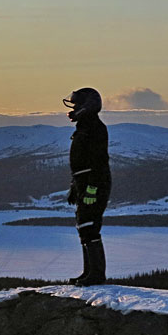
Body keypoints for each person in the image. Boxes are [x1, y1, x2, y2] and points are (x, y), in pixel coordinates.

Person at [63, 87, 111, 285]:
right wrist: (75, 188)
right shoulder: (84, 127)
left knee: (90, 226)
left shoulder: (95, 128)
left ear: (86, 107)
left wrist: (92, 188)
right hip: (84, 182)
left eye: (76, 105)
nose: (73, 109)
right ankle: (88, 272)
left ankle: (97, 274)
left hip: (95, 183)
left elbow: (98, 162)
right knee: (84, 226)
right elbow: (80, 163)